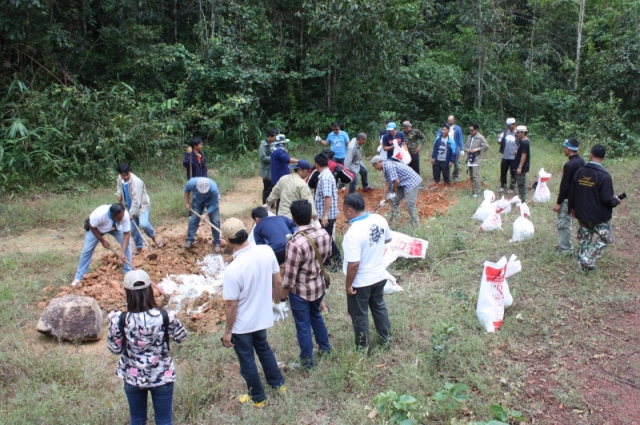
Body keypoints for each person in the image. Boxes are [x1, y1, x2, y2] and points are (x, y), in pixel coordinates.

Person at [107, 269, 188, 425]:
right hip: (162, 375)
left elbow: (114, 349)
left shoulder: (119, 319)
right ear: (150, 291)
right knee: (164, 421)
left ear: (127, 292)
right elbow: (181, 337)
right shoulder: (165, 317)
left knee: (137, 420)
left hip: (133, 377)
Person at [221, 218, 286, 407]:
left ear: (228, 240)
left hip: (242, 324)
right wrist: (277, 303)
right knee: (264, 349)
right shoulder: (266, 251)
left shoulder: (233, 270)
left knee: (247, 359)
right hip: (261, 317)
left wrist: (227, 331)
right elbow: (278, 282)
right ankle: (278, 385)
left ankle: (258, 398)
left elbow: (231, 305)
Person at [282, 199, 332, 368]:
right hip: (318, 286)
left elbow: (289, 279)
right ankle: (325, 348)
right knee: (316, 315)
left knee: (303, 326)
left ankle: (307, 362)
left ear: (293, 219)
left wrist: (281, 298)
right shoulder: (323, 233)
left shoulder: (294, 244)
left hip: (300, 292)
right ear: (311, 215)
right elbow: (327, 255)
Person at [342, 193, 392, 352]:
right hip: (379, 275)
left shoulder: (353, 233)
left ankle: (363, 348)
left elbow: (354, 264)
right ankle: (386, 340)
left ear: (349, 210)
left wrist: (348, 285)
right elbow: (387, 239)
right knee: (379, 307)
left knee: (359, 314)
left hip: (361, 281)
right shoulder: (379, 219)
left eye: (343, 210)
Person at [568, 144, 622, 270]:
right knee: (607, 238)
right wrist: (616, 200)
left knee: (585, 237)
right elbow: (607, 198)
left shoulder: (580, 172)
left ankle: (582, 264)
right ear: (604, 156)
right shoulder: (604, 176)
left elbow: (572, 192)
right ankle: (587, 260)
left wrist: (572, 208)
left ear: (591, 155)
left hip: (582, 212)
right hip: (598, 215)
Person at [71, 203, 133, 286]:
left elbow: (126, 234)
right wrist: (102, 240)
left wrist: (123, 252)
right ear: (112, 215)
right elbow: (91, 225)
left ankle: (128, 271)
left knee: (127, 244)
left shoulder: (124, 215)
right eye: (119, 218)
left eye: (122, 217)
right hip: (97, 229)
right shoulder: (99, 215)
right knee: (87, 250)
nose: (121, 219)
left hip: (115, 227)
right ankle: (79, 277)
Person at [116, 163, 163, 254]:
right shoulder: (120, 178)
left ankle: (154, 237)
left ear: (130, 172)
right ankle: (139, 247)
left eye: (126, 175)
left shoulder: (136, 182)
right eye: (123, 175)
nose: (125, 177)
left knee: (144, 224)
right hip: (128, 206)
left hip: (141, 206)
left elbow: (136, 201)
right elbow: (119, 187)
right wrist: (119, 194)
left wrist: (132, 214)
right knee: (133, 228)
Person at [552, 138, 585, 255]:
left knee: (564, 223)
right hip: (578, 197)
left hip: (568, 199)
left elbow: (565, 186)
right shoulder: (582, 161)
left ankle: (566, 250)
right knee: (574, 223)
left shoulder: (569, 165)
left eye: (564, 147)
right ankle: (564, 244)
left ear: (568, 148)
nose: (564, 149)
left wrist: (558, 202)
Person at [371, 155, 422, 228]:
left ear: (378, 163)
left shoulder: (389, 166)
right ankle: (395, 221)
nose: (375, 168)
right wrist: (383, 199)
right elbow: (387, 184)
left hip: (412, 182)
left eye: (374, 166)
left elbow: (396, 181)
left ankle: (416, 225)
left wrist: (393, 192)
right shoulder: (385, 168)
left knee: (409, 203)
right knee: (394, 200)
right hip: (403, 182)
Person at [314, 152, 342, 271]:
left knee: (327, 239)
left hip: (327, 215)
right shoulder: (326, 174)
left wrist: (325, 214)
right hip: (327, 213)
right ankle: (326, 261)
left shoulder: (325, 178)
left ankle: (338, 261)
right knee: (325, 238)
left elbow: (328, 197)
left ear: (316, 164)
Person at [183, 177, 221, 252]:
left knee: (215, 221)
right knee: (194, 219)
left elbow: (215, 204)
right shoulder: (192, 183)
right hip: (198, 200)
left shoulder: (214, 189)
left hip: (211, 202)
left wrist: (206, 213)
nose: (203, 193)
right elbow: (186, 190)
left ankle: (217, 242)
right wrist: (186, 203)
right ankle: (189, 240)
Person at [464, 123, 489, 197]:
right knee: (471, 176)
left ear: (476, 130)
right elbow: (466, 146)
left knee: (475, 176)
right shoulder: (469, 137)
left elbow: (486, 146)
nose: (471, 132)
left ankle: (477, 192)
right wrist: (467, 149)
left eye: (472, 130)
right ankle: (473, 190)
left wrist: (477, 149)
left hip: (476, 158)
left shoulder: (480, 137)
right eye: (470, 130)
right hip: (470, 158)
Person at [429, 123, 455, 191]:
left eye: (445, 130)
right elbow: (435, 148)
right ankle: (436, 185)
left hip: (445, 160)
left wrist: (451, 161)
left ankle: (446, 185)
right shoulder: (438, 138)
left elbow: (453, 151)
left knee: (446, 173)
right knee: (436, 172)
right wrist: (433, 157)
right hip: (437, 159)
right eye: (442, 130)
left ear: (448, 131)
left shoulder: (451, 140)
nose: (443, 131)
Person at [497, 118, 518, 193]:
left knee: (513, 173)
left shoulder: (518, 133)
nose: (509, 127)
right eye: (508, 126)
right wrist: (499, 138)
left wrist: (518, 150)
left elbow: (523, 143)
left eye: (510, 126)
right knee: (503, 172)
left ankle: (512, 187)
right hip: (505, 156)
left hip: (514, 157)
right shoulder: (505, 132)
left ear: (514, 124)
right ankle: (503, 186)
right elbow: (499, 142)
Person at [259, 129, 278, 204]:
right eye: (274, 137)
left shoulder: (275, 144)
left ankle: (271, 204)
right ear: (270, 136)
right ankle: (265, 205)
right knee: (267, 190)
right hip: (267, 172)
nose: (275, 139)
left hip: (274, 170)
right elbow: (263, 158)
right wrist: (274, 159)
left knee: (274, 189)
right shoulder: (263, 145)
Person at [513, 125, 531, 202]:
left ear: (523, 133)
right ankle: (521, 198)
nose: (517, 134)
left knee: (521, 184)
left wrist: (520, 167)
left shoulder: (525, 143)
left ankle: (523, 200)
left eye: (518, 133)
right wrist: (517, 151)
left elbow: (524, 155)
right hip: (519, 165)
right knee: (519, 183)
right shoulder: (522, 141)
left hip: (522, 167)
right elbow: (522, 151)